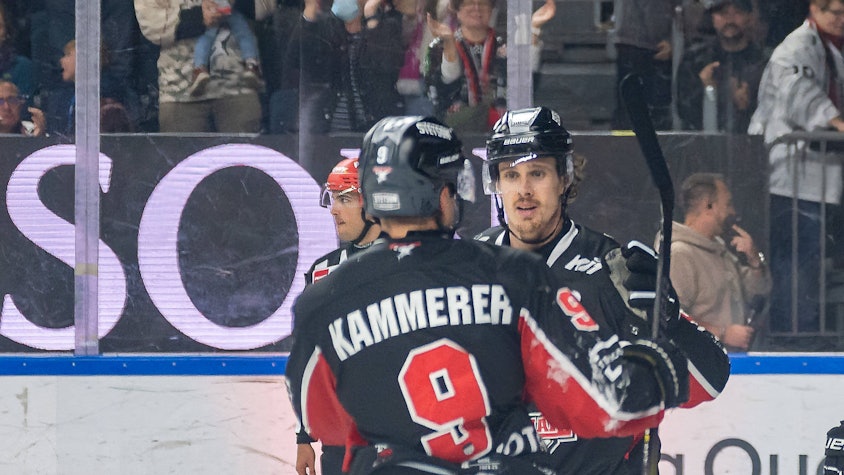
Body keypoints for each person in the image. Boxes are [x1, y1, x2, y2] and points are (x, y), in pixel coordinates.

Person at [286, 115, 691, 475]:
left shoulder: (322, 298)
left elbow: (320, 419)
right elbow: (605, 402)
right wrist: (657, 367)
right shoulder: (512, 275)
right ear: (447, 191)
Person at [475, 106, 730, 473]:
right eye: (511, 175)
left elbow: (711, 380)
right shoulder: (470, 266)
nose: (524, 190)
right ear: (496, 184)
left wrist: (668, 319)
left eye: (537, 173)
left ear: (564, 179)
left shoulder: (613, 269)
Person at [749, 0, 844, 334]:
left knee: (809, 261)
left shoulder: (830, 49)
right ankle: (793, 333)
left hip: (815, 178)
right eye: (834, 11)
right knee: (794, 261)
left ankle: (802, 327)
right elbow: (802, 97)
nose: (841, 19)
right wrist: (837, 122)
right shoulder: (796, 48)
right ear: (814, 9)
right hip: (787, 177)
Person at [296, 156, 382, 475]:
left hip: (405, 439)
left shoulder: (413, 263)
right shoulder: (322, 272)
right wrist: (303, 437)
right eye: (332, 198)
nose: (334, 209)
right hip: (339, 445)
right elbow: (309, 359)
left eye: (345, 198)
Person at [665, 173, 771, 352]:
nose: (733, 212)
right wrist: (722, 333)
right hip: (700, 368)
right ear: (709, 206)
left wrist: (754, 258)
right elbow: (671, 317)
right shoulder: (680, 254)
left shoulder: (720, 252)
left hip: (729, 363)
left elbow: (758, 291)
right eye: (728, 204)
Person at [424, 0, 555, 133]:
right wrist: (449, 45)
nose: (476, 8)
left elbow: (526, 79)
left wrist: (533, 28)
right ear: (456, 9)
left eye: (483, 3)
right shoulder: (440, 45)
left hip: (504, 130)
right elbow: (443, 84)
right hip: (456, 130)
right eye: (469, 3)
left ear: (492, 10)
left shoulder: (505, 44)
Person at [134, 0, 263, 133]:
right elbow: (151, 25)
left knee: (244, 152)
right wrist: (199, 15)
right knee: (180, 153)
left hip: (239, 88)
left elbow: (265, 7)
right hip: (180, 92)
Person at [677, 0, 767, 133]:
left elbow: (774, 114)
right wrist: (704, 89)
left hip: (750, 145)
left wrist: (747, 106)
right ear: (712, 18)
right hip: (702, 144)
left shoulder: (763, 62)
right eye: (723, 13)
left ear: (749, 17)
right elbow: (684, 113)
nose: (730, 19)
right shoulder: (695, 59)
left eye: (737, 12)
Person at [611, 0, 675, 130]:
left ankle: (625, 146)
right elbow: (655, 10)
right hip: (645, 46)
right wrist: (666, 39)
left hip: (631, 41)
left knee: (628, 111)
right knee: (642, 115)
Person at [188, 0, 263, 97]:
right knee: (244, 34)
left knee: (206, 36)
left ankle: (199, 69)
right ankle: (251, 64)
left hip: (217, 8)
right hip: (218, 8)